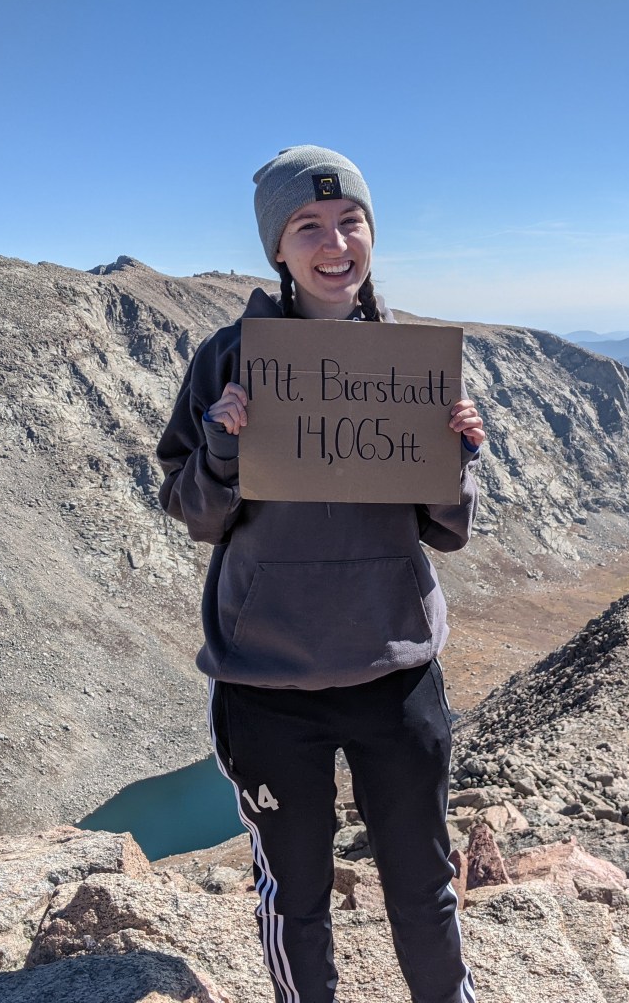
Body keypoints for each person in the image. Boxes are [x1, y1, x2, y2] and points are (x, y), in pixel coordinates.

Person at [157, 145, 485, 1003]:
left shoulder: (410, 361)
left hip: (398, 671)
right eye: (309, 225)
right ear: (278, 246)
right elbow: (195, 512)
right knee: (297, 898)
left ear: (373, 233)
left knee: (423, 884)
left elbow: (447, 532)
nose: (334, 241)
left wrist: (454, 462)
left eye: (351, 222)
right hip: (267, 682)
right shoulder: (229, 357)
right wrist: (225, 448)